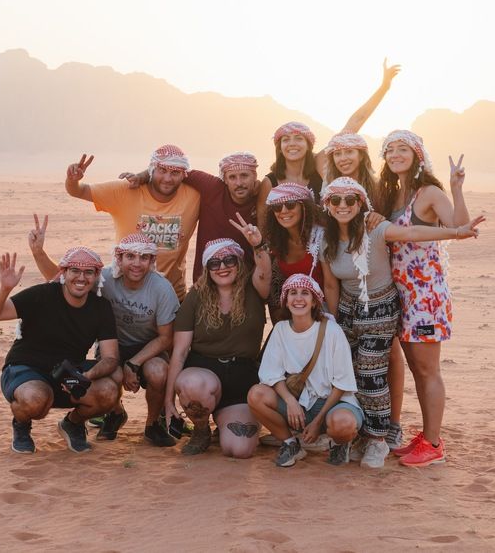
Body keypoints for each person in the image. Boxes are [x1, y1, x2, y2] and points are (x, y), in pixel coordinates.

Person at [318, 177, 483, 468]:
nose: (342, 206)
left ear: (360, 205)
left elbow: (413, 232)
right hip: (347, 309)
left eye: (349, 200)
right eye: (335, 201)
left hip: (380, 308)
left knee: (372, 373)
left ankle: (378, 440)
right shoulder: (327, 241)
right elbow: (331, 286)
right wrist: (335, 324)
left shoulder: (376, 230)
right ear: (328, 206)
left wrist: (457, 232)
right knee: (351, 373)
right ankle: (358, 435)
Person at [28, 220, 180, 447]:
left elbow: (166, 337)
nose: (137, 264)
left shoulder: (162, 288)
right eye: (130, 257)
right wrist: (39, 253)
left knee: (158, 372)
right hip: (112, 346)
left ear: (151, 261)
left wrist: (135, 363)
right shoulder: (106, 278)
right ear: (119, 258)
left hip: (148, 348)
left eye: (144, 258)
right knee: (113, 375)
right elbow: (64, 281)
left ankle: (152, 425)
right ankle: (114, 413)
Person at [376, 130, 471, 467]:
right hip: (400, 295)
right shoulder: (392, 195)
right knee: (416, 368)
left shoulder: (429, 192)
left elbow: (459, 226)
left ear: (417, 155)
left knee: (429, 371)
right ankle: (427, 436)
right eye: (390, 150)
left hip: (426, 297)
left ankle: (432, 444)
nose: (396, 154)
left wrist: (456, 189)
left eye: (403, 149)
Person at [0, 248, 120, 454]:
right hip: (27, 368)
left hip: (68, 372)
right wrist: (4, 290)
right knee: (36, 399)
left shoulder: (100, 307)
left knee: (110, 390)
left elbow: (110, 357)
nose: (81, 278)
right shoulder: (42, 294)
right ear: (63, 273)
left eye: (88, 272)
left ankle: (73, 423)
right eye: (75, 270)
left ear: (96, 276)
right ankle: (21, 426)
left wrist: (85, 377)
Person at [321, 130, 405, 450]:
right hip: (345, 285)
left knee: (386, 357)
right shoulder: (329, 185)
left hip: (379, 283)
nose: (344, 158)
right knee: (352, 363)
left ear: (362, 155)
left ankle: (389, 426)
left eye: (350, 152)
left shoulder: (377, 188)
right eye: (338, 153)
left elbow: (394, 229)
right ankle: (358, 426)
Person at [164, 222, 272, 458]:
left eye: (229, 261)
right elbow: (180, 352)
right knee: (193, 385)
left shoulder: (254, 290)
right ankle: (201, 429)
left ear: (239, 263)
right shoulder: (196, 297)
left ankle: (224, 423)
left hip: (242, 376)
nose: (222, 267)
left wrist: (258, 244)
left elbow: (264, 271)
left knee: (239, 449)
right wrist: (168, 400)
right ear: (207, 268)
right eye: (214, 263)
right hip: (204, 371)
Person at [255, 59, 401, 228]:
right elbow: (262, 220)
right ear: (279, 147)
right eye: (285, 140)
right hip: (291, 249)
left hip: (327, 242)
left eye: (299, 139)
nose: (292, 144)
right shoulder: (270, 181)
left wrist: (383, 88)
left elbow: (354, 123)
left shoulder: (321, 161)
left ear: (309, 144)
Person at [248, 274, 364, 468]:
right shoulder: (280, 330)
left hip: (330, 403)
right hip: (300, 404)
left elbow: (342, 384)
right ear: (286, 300)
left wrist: (318, 421)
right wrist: (290, 401)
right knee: (256, 395)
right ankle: (290, 443)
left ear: (314, 302)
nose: (298, 298)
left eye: (305, 293)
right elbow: (270, 374)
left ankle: (339, 443)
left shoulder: (332, 331)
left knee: (343, 424)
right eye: (293, 293)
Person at [64, 145, 200, 301]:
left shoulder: (194, 196)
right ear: (152, 170)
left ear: (183, 174)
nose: (168, 179)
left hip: (172, 295)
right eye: (162, 171)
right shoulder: (125, 191)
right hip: (124, 296)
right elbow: (79, 191)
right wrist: (72, 180)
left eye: (175, 173)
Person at [121, 151, 261, 283]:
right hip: (205, 283)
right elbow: (175, 169)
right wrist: (141, 177)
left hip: (246, 283)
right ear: (224, 179)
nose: (239, 183)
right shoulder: (212, 188)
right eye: (232, 177)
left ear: (255, 176)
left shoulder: (263, 200)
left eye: (244, 175)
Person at [260, 182, 325, 324]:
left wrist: (330, 322)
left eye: (290, 204)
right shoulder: (276, 243)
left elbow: (332, 285)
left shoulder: (319, 237)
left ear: (304, 207)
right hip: (294, 315)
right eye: (277, 207)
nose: (283, 211)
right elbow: (271, 289)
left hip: (323, 312)